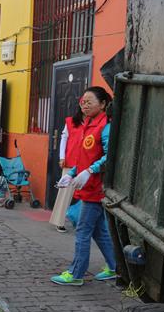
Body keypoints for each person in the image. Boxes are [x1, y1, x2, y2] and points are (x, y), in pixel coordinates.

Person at [51, 86, 117, 286]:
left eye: (89, 102)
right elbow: (84, 157)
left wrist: (91, 171)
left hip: (96, 188)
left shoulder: (105, 126)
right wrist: (71, 174)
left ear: (103, 104)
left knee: (82, 231)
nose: (84, 105)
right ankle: (115, 267)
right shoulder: (86, 124)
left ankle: (76, 273)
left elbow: (110, 156)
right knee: (98, 231)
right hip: (87, 186)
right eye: (83, 102)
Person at [49, 100, 85, 233]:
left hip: (87, 163)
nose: (86, 107)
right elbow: (64, 138)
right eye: (83, 104)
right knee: (64, 193)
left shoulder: (95, 123)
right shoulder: (71, 121)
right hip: (71, 161)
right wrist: (62, 157)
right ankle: (59, 221)